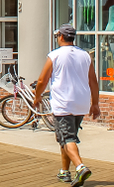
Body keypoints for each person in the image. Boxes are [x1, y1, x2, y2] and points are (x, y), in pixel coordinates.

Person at [34, 24, 100, 186]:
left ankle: (80, 167)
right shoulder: (85, 55)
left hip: (63, 103)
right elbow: (93, 81)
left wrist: (37, 97)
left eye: (57, 36)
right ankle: (64, 172)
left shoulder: (54, 55)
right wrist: (95, 103)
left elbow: (42, 80)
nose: (57, 38)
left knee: (67, 137)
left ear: (61, 37)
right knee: (66, 138)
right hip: (81, 103)